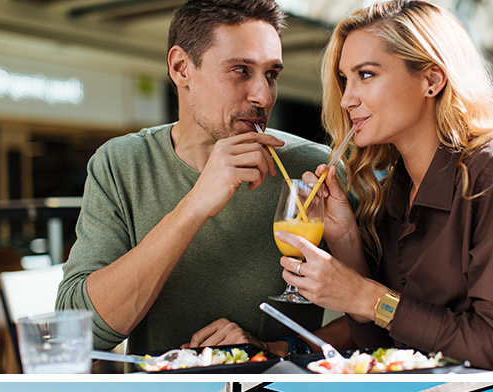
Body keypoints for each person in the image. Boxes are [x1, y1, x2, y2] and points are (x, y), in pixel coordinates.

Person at [274, 0, 493, 373]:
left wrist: (369, 297)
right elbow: (383, 348)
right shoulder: (394, 188)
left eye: (366, 75)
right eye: (345, 80)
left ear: (431, 80)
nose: (347, 99)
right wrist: (345, 238)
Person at [55, 0, 336, 357]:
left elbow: (376, 316)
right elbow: (78, 333)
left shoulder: (314, 169)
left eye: (272, 74)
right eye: (240, 70)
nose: (263, 95)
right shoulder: (120, 163)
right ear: (181, 68)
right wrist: (195, 205)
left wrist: (276, 347)